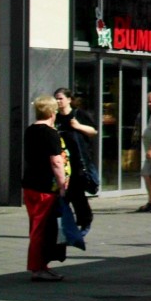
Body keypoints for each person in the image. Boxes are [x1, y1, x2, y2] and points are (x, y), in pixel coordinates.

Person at [22, 95, 69, 281]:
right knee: (40, 229)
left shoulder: (30, 130)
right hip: (44, 187)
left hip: (30, 185)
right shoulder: (51, 133)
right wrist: (62, 185)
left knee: (36, 226)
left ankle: (42, 265)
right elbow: (56, 161)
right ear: (51, 112)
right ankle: (37, 268)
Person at [54, 88, 97, 232]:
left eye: (60, 98)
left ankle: (85, 221)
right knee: (61, 196)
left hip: (78, 161)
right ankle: (64, 226)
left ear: (69, 99)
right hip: (61, 162)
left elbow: (93, 131)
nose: (58, 101)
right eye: (56, 99)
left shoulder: (79, 115)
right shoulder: (55, 118)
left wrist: (78, 126)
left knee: (77, 194)